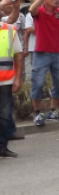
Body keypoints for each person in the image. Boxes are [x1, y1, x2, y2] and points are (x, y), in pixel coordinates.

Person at [0, 15, 23, 158]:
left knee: (4, 116)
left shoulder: (9, 30)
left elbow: (18, 55)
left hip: (6, 81)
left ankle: (2, 148)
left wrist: (18, 79)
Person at [23, 0, 39, 82]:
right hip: (35, 46)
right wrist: (45, 27)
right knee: (36, 69)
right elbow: (28, 29)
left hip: (49, 47)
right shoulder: (30, 15)